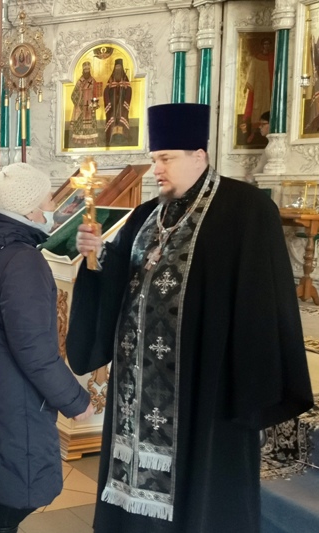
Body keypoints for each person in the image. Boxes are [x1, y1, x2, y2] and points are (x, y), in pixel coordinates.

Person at [68, 103, 313, 533]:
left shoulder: (245, 211)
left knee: (197, 503)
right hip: (137, 393)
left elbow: (262, 305)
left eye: (166, 158)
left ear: (199, 155)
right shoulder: (146, 217)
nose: (156, 169)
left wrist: (248, 388)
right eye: (154, 158)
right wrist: (94, 258)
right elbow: (117, 284)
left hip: (203, 394)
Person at [0, 162, 94, 533]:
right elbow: (34, 350)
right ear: (31, 209)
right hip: (11, 404)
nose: (52, 206)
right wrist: (76, 402)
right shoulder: (22, 260)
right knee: (5, 503)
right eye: (48, 199)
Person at [241, 38, 274, 144]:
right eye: (265, 44)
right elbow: (251, 74)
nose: (266, 46)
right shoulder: (256, 59)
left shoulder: (272, 58)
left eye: (268, 44)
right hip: (259, 88)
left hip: (269, 88)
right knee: (257, 107)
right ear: (262, 46)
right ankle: (254, 132)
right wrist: (248, 86)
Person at [70, 61, 100, 147]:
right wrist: (78, 104)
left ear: (90, 70)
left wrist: (94, 104)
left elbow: (95, 94)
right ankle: (80, 143)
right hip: (80, 108)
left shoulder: (93, 81)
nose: (86, 71)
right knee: (80, 125)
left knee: (90, 125)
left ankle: (91, 142)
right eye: (85, 70)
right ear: (82, 71)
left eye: (88, 69)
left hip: (90, 109)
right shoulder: (79, 82)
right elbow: (73, 95)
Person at [103, 58, 132, 146]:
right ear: (114, 68)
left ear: (122, 68)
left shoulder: (125, 81)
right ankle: (111, 137)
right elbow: (106, 92)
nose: (118, 69)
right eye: (116, 67)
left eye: (119, 67)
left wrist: (125, 102)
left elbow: (129, 91)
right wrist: (108, 103)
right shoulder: (111, 81)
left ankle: (122, 137)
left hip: (122, 106)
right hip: (113, 105)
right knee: (112, 119)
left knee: (121, 118)